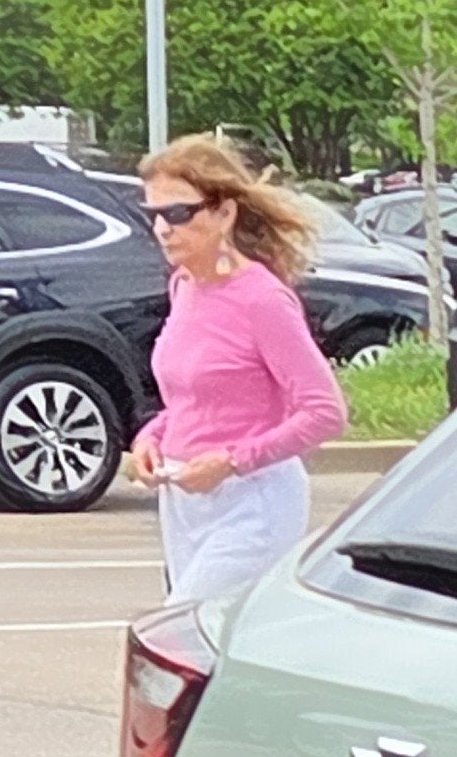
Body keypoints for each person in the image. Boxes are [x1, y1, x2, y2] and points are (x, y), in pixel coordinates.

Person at [127, 135, 344, 601]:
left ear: (225, 213)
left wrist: (231, 461)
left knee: (181, 634)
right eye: (154, 215)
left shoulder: (262, 299)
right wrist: (152, 438)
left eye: (179, 213)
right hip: (183, 500)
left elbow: (324, 411)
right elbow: (192, 398)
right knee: (205, 647)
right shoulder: (184, 286)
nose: (164, 228)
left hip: (252, 501)